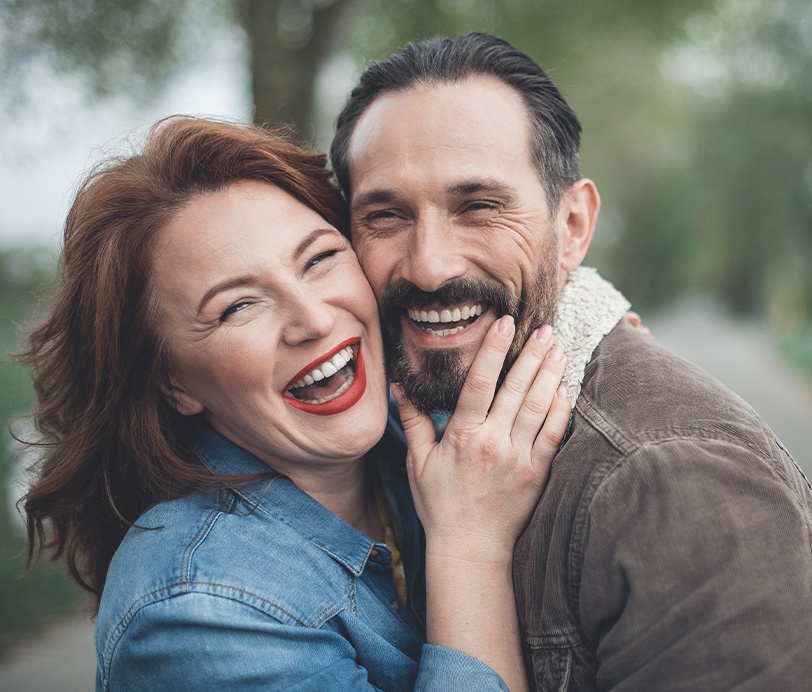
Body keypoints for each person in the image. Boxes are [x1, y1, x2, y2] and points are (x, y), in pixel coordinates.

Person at [19, 116, 574, 691]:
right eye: (237, 307)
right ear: (172, 383)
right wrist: (468, 549)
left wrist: (594, 336)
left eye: (318, 259)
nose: (313, 319)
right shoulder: (199, 613)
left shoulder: (409, 420)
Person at [330, 32, 812, 691]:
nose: (429, 265)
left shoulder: (676, 482)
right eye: (385, 215)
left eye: (479, 207)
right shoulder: (385, 420)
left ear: (575, 227)